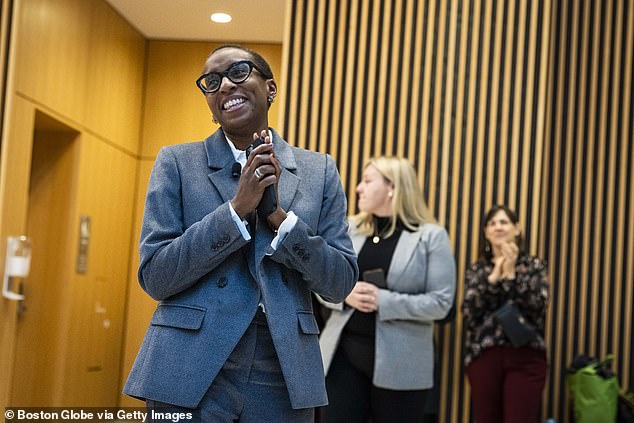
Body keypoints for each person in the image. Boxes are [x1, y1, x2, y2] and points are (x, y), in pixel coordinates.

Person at [123, 44, 358, 422]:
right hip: (189, 365)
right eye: (212, 82)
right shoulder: (177, 162)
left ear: (270, 88)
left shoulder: (320, 171)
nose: (224, 86)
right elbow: (156, 276)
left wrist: (282, 222)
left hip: (283, 368)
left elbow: (340, 283)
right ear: (211, 107)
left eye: (238, 72)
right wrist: (235, 211)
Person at [318, 156, 456, 423]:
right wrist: (345, 294)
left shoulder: (431, 236)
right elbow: (319, 280)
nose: (358, 188)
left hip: (403, 366)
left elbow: (442, 303)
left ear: (392, 187)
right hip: (341, 357)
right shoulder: (349, 229)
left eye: (368, 181)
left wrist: (384, 300)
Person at [462, 205, 549, 423]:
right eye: (492, 223)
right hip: (484, 355)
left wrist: (511, 276)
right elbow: (469, 313)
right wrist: (493, 278)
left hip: (526, 355)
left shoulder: (533, 266)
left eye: (504, 222)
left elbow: (537, 309)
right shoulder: (478, 270)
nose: (498, 227)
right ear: (485, 232)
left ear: (517, 229)